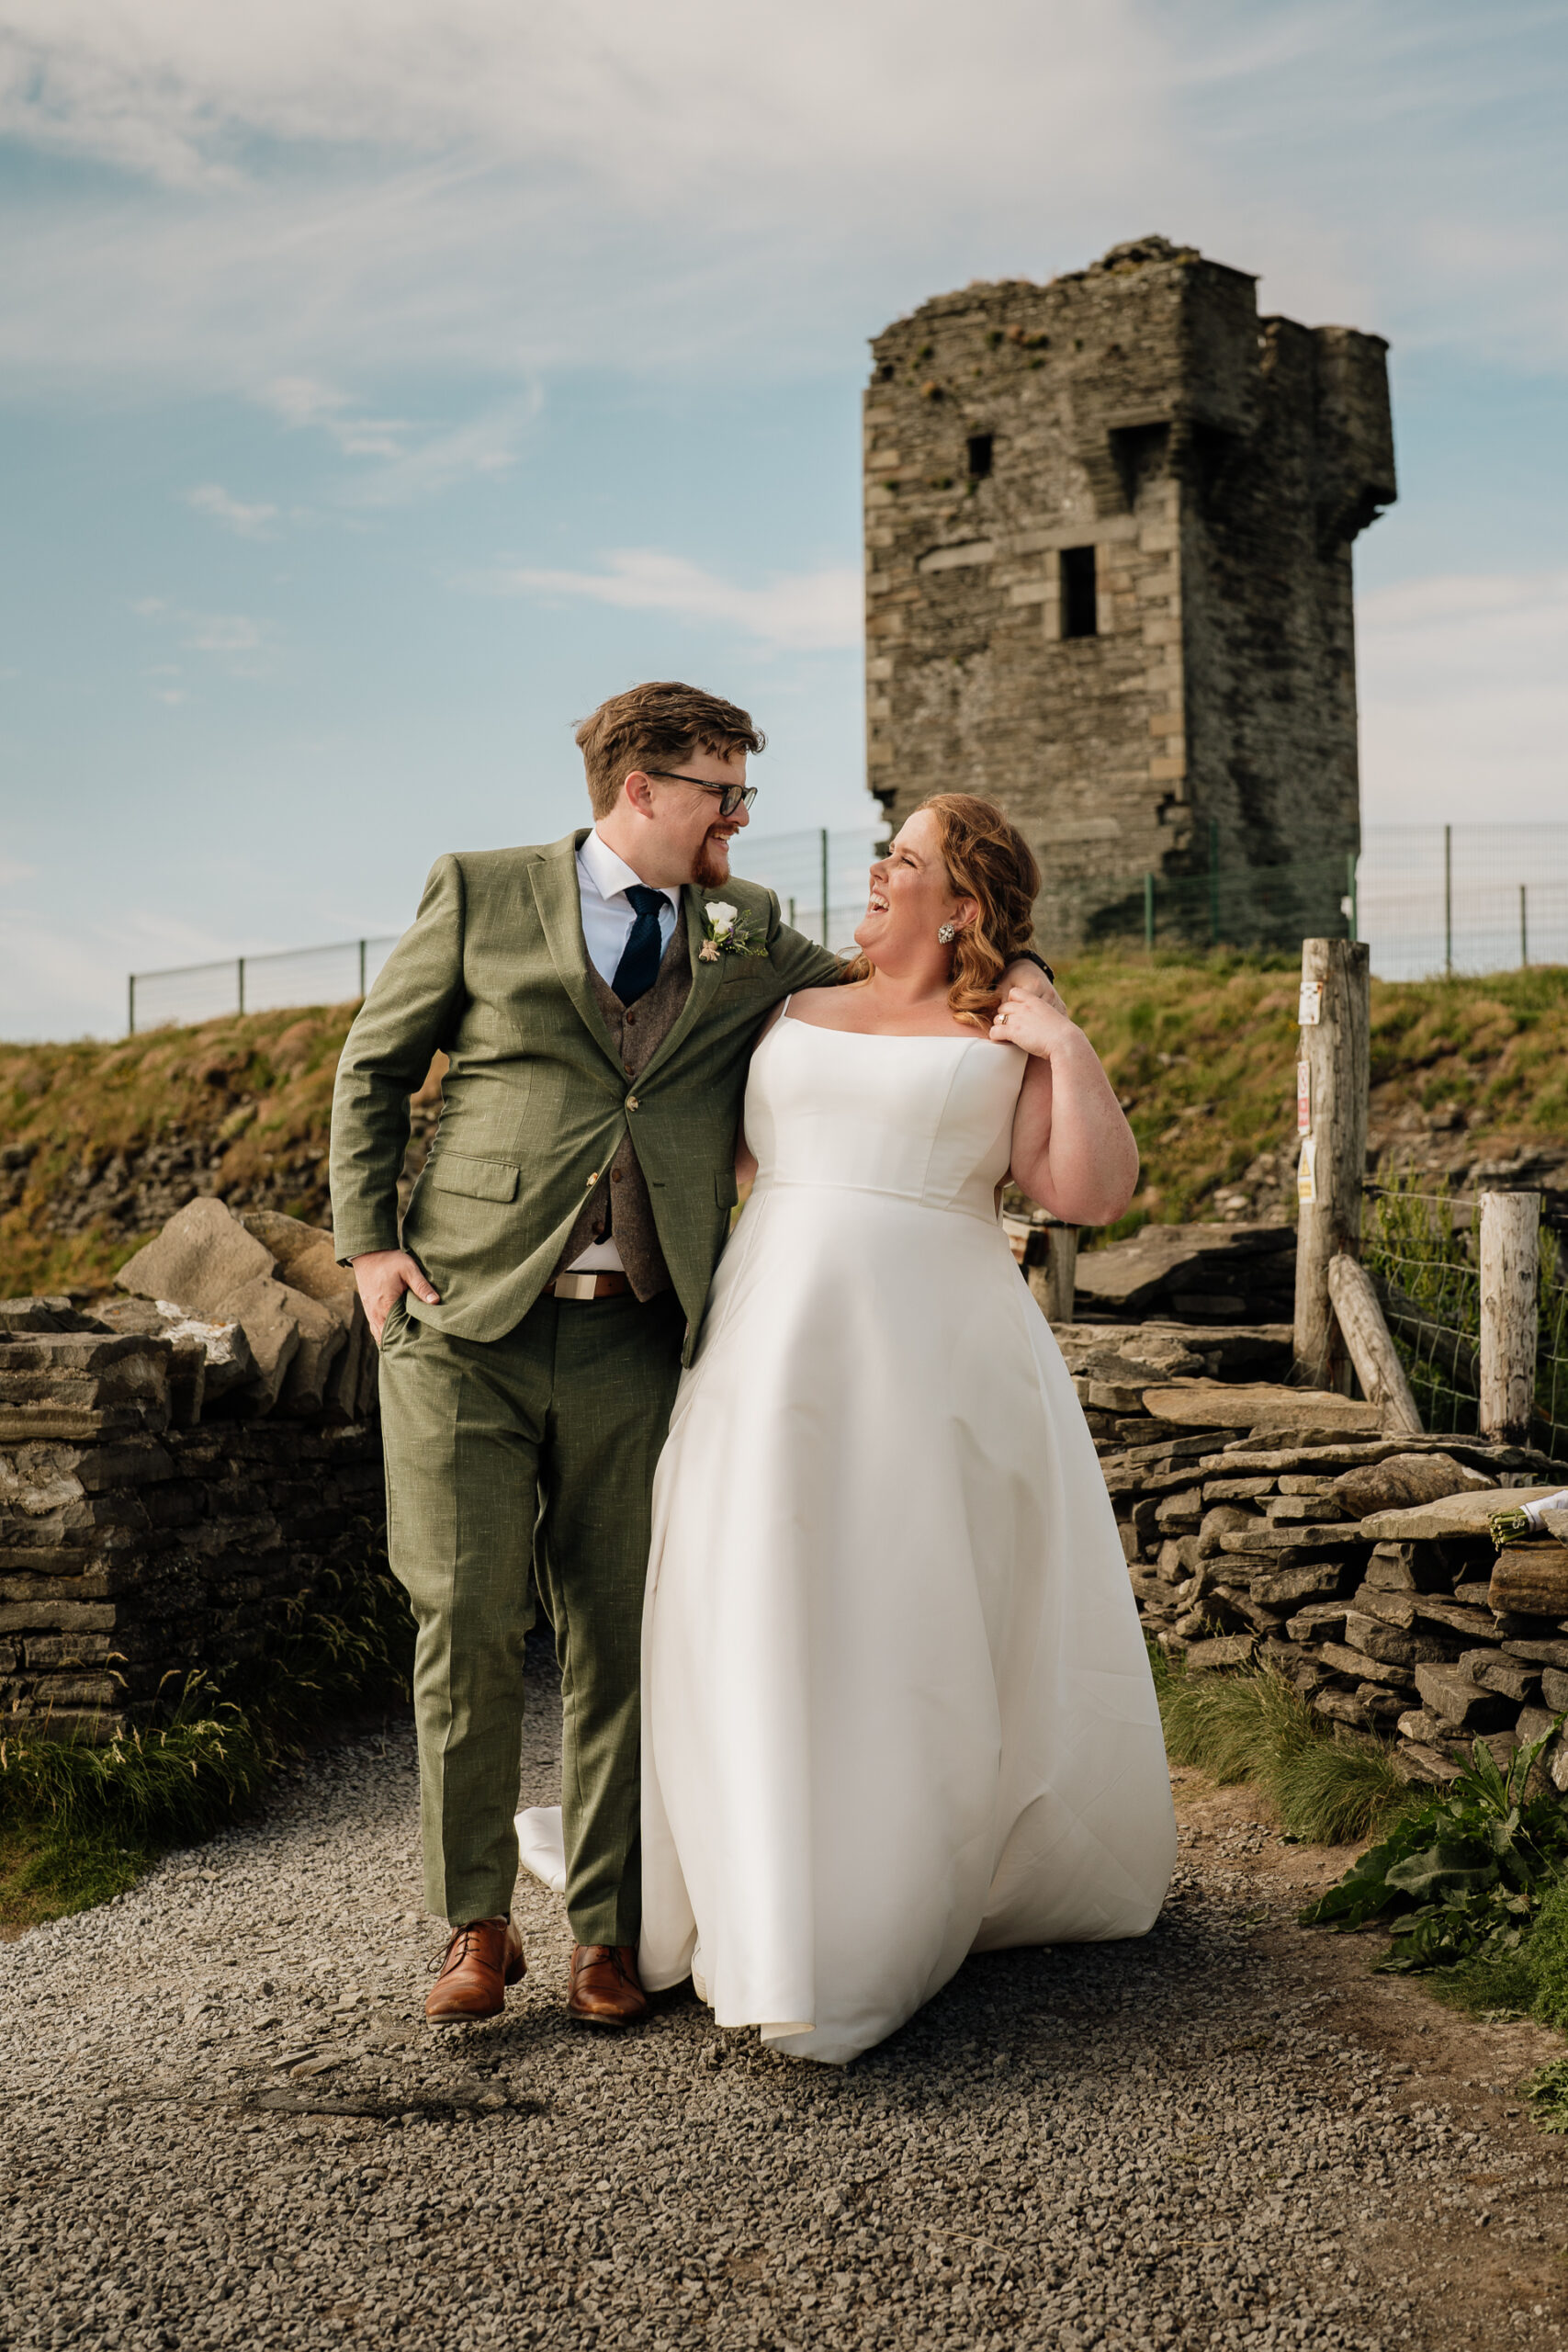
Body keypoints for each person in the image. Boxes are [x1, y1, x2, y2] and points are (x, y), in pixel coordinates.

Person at [329, 687, 1052, 2028]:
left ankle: (608, 1930)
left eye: (743, 795)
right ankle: (476, 1925)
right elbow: (373, 1069)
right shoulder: (482, 894)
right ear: (644, 789)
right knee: (470, 1621)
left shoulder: (751, 931)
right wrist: (368, 1246)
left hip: (637, 1334)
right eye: (723, 792)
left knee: (619, 1634)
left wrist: (1023, 974)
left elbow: (894, 993)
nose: (740, 817)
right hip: (463, 1329)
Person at [636, 792, 1178, 2064]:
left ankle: (876, 1902)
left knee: (904, 1613)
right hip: (773, 1347)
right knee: (752, 1590)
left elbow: (1085, 1191)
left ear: (964, 906)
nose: (875, 874)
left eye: (904, 860)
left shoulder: (1003, 1029)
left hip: (936, 1357)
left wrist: (1063, 1040)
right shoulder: (788, 999)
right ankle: (750, 1882)